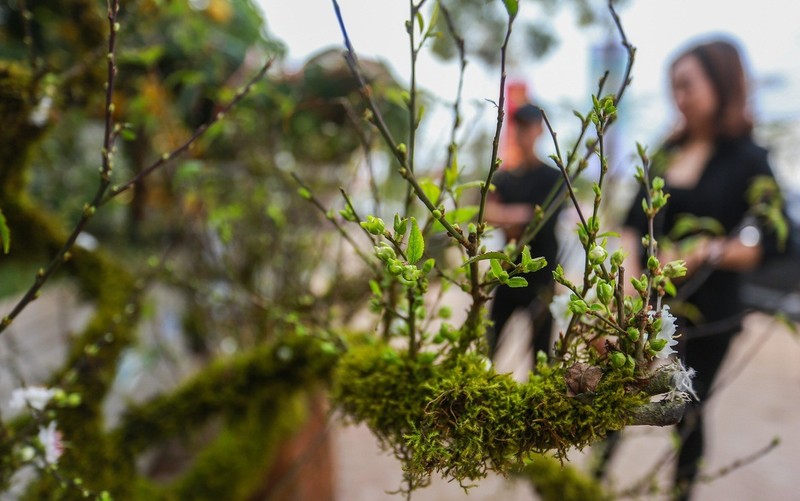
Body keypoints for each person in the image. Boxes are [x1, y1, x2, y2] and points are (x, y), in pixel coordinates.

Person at [620, 39, 787, 500]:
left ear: (720, 83)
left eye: (687, 85)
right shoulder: (667, 152)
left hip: (713, 315)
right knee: (619, 391)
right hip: (650, 308)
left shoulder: (749, 159)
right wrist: (634, 283)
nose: (680, 97)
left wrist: (705, 250)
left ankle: (681, 491)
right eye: (674, 87)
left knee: (687, 408)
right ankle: (593, 474)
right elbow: (633, 225)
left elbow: (771, 238)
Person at [485, 103, 563, 361]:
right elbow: (485, 213)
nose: (522, 133)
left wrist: (508, 216)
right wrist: (519, 215)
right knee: (489, 342)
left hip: (541, 274)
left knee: (541, 353)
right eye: (519, 127)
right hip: (508, 271)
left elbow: (542, 219)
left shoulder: (554, 178)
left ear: (539, 130)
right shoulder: (504, 178)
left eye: (528, 127)